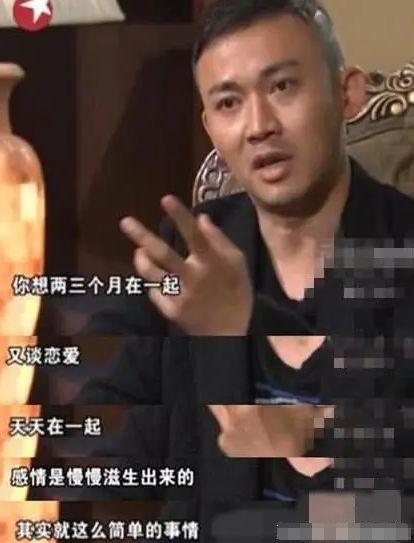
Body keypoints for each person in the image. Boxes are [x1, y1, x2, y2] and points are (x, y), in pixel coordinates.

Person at [74, 0, 414, 540]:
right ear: (211, 126)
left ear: (346, 93)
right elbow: (103, 414)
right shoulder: (191, 249)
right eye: (229, 102)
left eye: (282, 87)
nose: (258, 126)